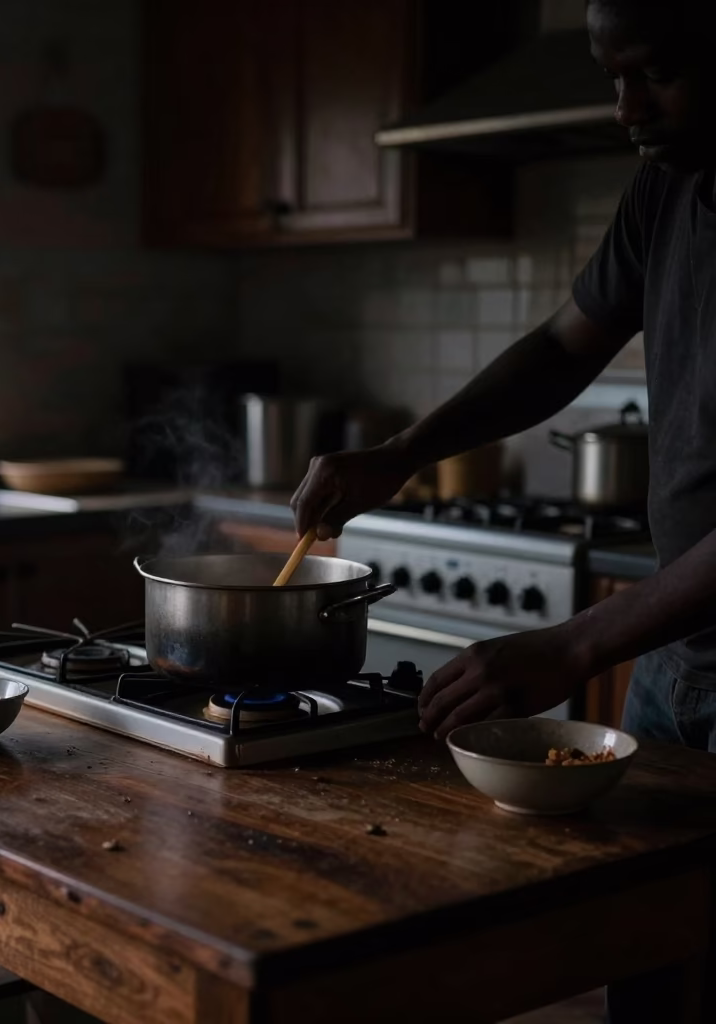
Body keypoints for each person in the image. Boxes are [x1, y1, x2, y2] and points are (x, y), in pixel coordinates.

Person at [292, 0, 716, 753]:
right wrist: (403, 453)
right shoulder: (668, 187)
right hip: (673, 659)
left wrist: (575, 646)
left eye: (656, 74)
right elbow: (562, 346)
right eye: (614, 79)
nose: (626, 110)